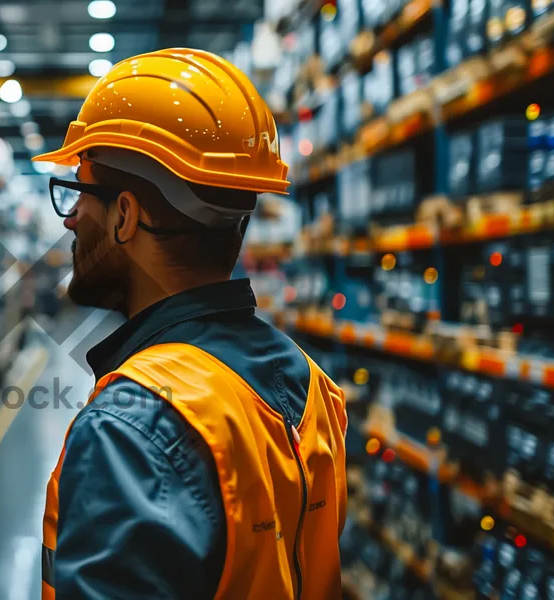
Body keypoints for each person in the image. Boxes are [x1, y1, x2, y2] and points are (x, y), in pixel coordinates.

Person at [32, 48, 349, 600]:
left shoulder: (131, 428)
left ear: (127, 215)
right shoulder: (309, 385)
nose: (70, 218)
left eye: (80, 192)